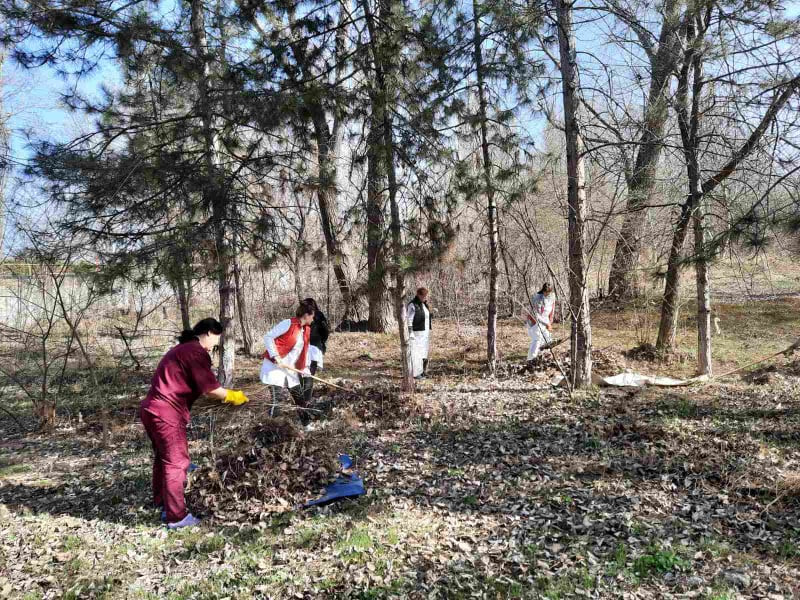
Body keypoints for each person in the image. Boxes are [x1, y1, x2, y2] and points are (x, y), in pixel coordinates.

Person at [140, 318, 249, 529]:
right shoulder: (196, 351)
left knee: (163, 458)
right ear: (208, 333)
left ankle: (161, 501)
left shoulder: (182, 349)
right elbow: (210, 390)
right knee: (177, 462)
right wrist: (232, 396)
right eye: (216, 339)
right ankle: (177, 517)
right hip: (166, 413)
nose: (215, 344)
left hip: (151, 409)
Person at [260, 300, 315, 426]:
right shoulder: (288, 323)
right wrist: (276, 357)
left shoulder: (306, 330)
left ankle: (307, 426)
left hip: (290, 370)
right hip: (274, 369)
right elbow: (268, 337)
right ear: (306, 315)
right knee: (276, 402)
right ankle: (271, 429)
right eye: (312, 316)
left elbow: (304, 351)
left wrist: (305, 368)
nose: (313, 319)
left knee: (300, 399)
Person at [302, 297, 330, 408]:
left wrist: (320, 341)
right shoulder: (305, 315)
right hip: (308, 346)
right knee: (307, 374)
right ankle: (305, 401)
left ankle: (305, 401)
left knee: (306, 374)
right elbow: (325, 332)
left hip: (312, 347)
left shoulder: (317, 315)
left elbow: (325, 331)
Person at [527, 283, 556, 366]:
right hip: (534, 321)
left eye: (549, 292)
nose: (547, 294)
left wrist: (550, 322)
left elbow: (552, 310)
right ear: (543, 291)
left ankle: (544, 358)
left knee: (548, 340)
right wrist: (546, 324)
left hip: (545, 320)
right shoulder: (537, 298)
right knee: (537, 339)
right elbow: (535, 314)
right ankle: (531, 360)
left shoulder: (552, 296)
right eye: (545, 292)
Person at [407, 287, 432, 379]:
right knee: (416, 353)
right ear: (418, 295)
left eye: (426, 296)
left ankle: (422, 371)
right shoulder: (412, 305)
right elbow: (409, 319)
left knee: (423, 353)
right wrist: (410, 332)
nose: (425, 298)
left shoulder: (424, 305)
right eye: (423, 296)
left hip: (425, 333)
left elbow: (426, 317)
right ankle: (416, 373)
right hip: (416, 333)